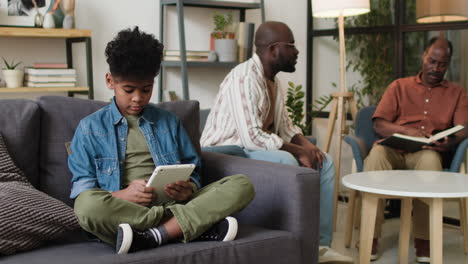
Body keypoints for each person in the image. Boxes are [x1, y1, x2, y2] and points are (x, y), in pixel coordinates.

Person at [68, 27, 255, 254]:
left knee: (242, 184)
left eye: (146, 90)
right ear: (110, 81)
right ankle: (178, 228)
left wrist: (188, 189)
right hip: (125, 209)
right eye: (129, 90)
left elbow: (193, 171)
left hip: (174, 203)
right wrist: (123, 195)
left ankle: (152, 235)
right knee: (86, 206)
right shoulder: (90, 128)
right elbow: (83, 190)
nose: (138, 98)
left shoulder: (169, 122)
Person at [201, 21, 352, 263]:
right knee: (285, 159)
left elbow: (286, 127)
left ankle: (320, 246)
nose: (297, 51)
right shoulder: (243, 78)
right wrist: (297, 151)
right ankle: (291, 241)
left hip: (253, 150)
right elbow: (251, 136)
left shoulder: (274, 81)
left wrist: (309, 147)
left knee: (326, 162)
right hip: (226, 154)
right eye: (291, 45)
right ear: (273, 50)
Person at [364, 36, 468, 262]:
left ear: (448, 64)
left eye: (442, 64)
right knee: (376, 156)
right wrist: (409, 132)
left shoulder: (457, 92)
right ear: (424, 57)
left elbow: (463, 128)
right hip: (393, 149)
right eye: (432, 61)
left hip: (426, 151)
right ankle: (370, 236)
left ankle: (424, 240)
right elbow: (379, 124)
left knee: (430, 161)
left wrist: (449, 142)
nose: (435, 68)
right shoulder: (399, 86)